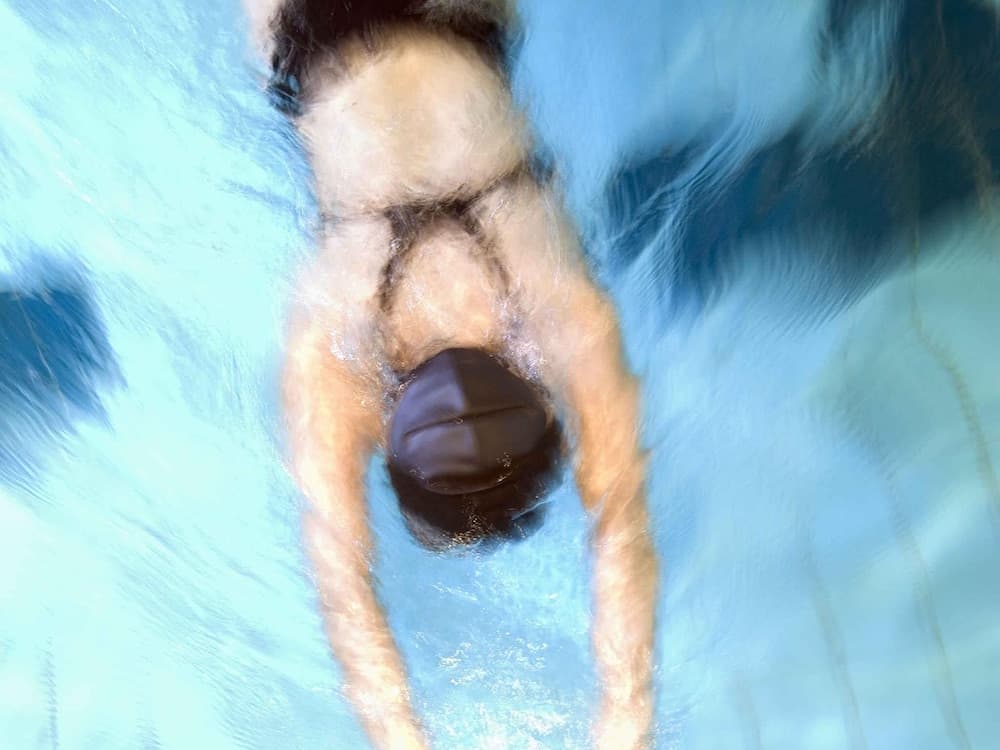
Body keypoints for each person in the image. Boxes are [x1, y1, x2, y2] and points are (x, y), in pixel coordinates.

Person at [242, 1, 659, 747]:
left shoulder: (558, 311)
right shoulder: (332, 348)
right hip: (309, 40)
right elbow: (342, 586)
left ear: (543, 406)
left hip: (460, 19)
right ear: (388, 434)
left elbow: (621, 519)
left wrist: (627, 719)